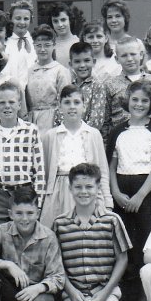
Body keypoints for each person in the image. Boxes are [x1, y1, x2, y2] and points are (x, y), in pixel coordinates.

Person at [106, 80, 151, 301]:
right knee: (126, 247)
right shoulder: (117, 131)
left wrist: (141, 195)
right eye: (135, 99)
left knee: (148, 246)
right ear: (128, 100)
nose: (139, 104)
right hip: (122, 192)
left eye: (145, 101)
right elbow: (111, 165)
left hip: (148, 194)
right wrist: (116, 193)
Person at [53, 163, 130, 301]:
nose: (84, 191)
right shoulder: (60, 223)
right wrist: (71, 292)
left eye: (89, 187)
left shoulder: (111, 220)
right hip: (75, 293)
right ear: (70, 188)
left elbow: (122, 259)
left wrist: (105, 293)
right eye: (78, 187)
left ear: (98, 188)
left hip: (105, 291)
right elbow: (56, 264)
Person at [41, 85, 112, 228]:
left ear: (84, 107)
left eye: (76, 102)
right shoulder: (51, 136)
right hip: (59, 192)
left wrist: (107, 200)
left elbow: (102, 170)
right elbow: (46, 172)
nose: (72, 107)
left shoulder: (93, 134)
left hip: (86, 190)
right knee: (59, 231)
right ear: (59, 107)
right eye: (67, 103)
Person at [0, 81, 46, 230]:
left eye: (11, 102)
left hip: (24, 194)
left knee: (23, 236)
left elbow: (39, 171)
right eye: (2, 102)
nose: (7, 106)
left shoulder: (31, 130)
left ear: (19, 104)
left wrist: (38, 202)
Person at [53, 41, 112, 141]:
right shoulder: (66, 89)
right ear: (70, 64)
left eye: (86, 60)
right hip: (66, 140)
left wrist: (78, 137)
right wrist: (67, 136)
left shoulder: (98, 87)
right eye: (77, 61)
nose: (82, 65)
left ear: (94, 62)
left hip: (89, 140)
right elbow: (58, 116)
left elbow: (96, 120)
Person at [25, 24, 72, 138]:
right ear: (34, 46)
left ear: (54, 45)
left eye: (47, 45)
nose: (42, 49)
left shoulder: (60, 71)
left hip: (53, 119)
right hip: (32, 120)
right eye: (38, 45)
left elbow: (66, 100)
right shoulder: (29, 71)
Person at [105, 36, 151, 128]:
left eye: (133, 54)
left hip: (150, 132)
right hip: (120, 134)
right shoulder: (110, 84)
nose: (129, 59)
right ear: (117, 59)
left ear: (141, 55)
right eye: (124, 55)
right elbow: (106, 120)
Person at [2, 0, 37, 88]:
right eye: (18, 18)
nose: (22, 22)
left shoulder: (35, 42)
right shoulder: (5, 43)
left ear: (31, 20)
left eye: (26, 19)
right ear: (10, 19)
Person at [49, 2, 80, 68]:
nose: (60, 25)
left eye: (63, 20)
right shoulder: (50, 45)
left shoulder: (79, 43)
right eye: (55, 21)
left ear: (70, 20)